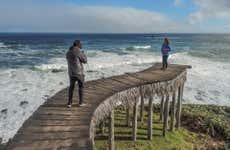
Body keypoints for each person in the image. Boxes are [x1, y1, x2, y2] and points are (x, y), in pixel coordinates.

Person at [66, 40, 87, 108]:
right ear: (77, 45)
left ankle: (69, 103)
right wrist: (83, 54)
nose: (81, 45)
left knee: (71, 88)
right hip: (79, 72)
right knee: (81, 87)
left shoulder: (68, 52)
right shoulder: (78, 51)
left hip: (71, 72)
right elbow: (85, 61)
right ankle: (81, 102)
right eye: (81, 44)